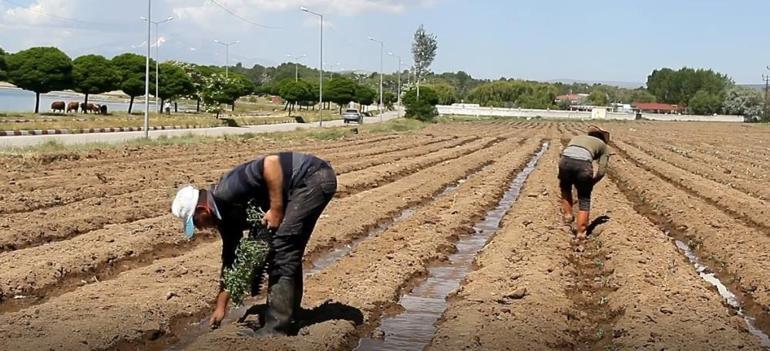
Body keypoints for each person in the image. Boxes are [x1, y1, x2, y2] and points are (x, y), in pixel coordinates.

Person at [171, 152, 337, 336]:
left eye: (195, 222)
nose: (199, 228)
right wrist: (221, 307)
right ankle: (290, 315)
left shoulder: (227, 190)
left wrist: (275, 210)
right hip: (303, 185)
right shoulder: (225, 218)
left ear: (203, 209)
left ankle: (274, 330)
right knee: (287, 249)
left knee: (282, 249)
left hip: (312, 178)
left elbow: (271, 163)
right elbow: (230, 261)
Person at [558, 126, 610, 240]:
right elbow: (601, 171)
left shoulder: (578, 138)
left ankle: (567, 215)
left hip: (565, 161)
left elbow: (563, 153)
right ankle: (581, 233)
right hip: (583, 166)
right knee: (584, 199)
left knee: (565, 188)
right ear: (603, 138)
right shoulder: (603, 146)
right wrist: (592, 182)